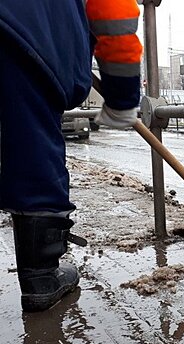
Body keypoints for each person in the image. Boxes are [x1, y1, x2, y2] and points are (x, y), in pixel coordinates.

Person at [0, 0, 142, 311]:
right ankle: (41, 278)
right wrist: (122, 101)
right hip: (22, 42)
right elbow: (115, 17)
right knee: (33, 156)